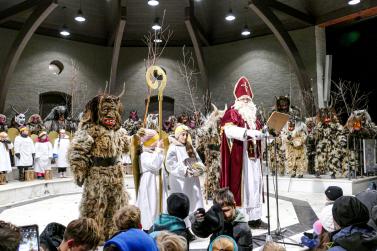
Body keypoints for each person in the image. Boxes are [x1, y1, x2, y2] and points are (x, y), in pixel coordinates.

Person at [220, 76, 267, 228]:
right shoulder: (232, 113)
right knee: (244, 186)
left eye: (248, 99)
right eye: (243, 99)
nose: (246, 102)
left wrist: (266, 135)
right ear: (238, 100)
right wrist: (248, 133)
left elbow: (261, 134)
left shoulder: (255, 118)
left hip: (254, 159)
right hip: (241, 158)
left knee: (255, 185)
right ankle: (241, 217)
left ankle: (255, 217)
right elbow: (228, 130)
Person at [166, 124, 205, 216]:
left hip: (192, 180)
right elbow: (170, 164)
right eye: (183, 134)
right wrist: (184, 170)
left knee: (194, 200)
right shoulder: (173, 147)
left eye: (186, 134)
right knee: (183, 201)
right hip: (180, 181)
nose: (185, 137)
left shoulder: (190, 146)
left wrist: (200, 168)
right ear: (177, 135)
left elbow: (197, 160)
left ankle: (194, 221)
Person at [135, 128, 165, 231]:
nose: (157, 142)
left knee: (156, 204)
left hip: (155, 181)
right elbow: (154, 164)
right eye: (155, 141)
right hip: (149, 183)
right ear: (150, 143)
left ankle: (157, 225)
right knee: (150, 205)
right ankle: (149, 227)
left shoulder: (153, 152)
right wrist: (159, 150)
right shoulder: (144, 155)